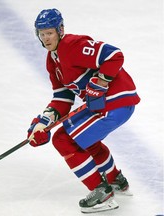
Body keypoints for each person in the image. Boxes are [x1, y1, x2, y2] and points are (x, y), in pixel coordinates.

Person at [27, 8, 141, 213]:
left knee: (64, 139)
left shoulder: (72, 46)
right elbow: (62, 98)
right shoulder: (52, 60)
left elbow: (114, 55)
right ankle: (115, 181)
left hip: (116, 102)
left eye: (49, 33)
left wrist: (101, 82)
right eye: (41, 34)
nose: (45, 38)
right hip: (102, 104)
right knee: (82, 137)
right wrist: (43, 123)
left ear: (60, 30)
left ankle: (101, 193)